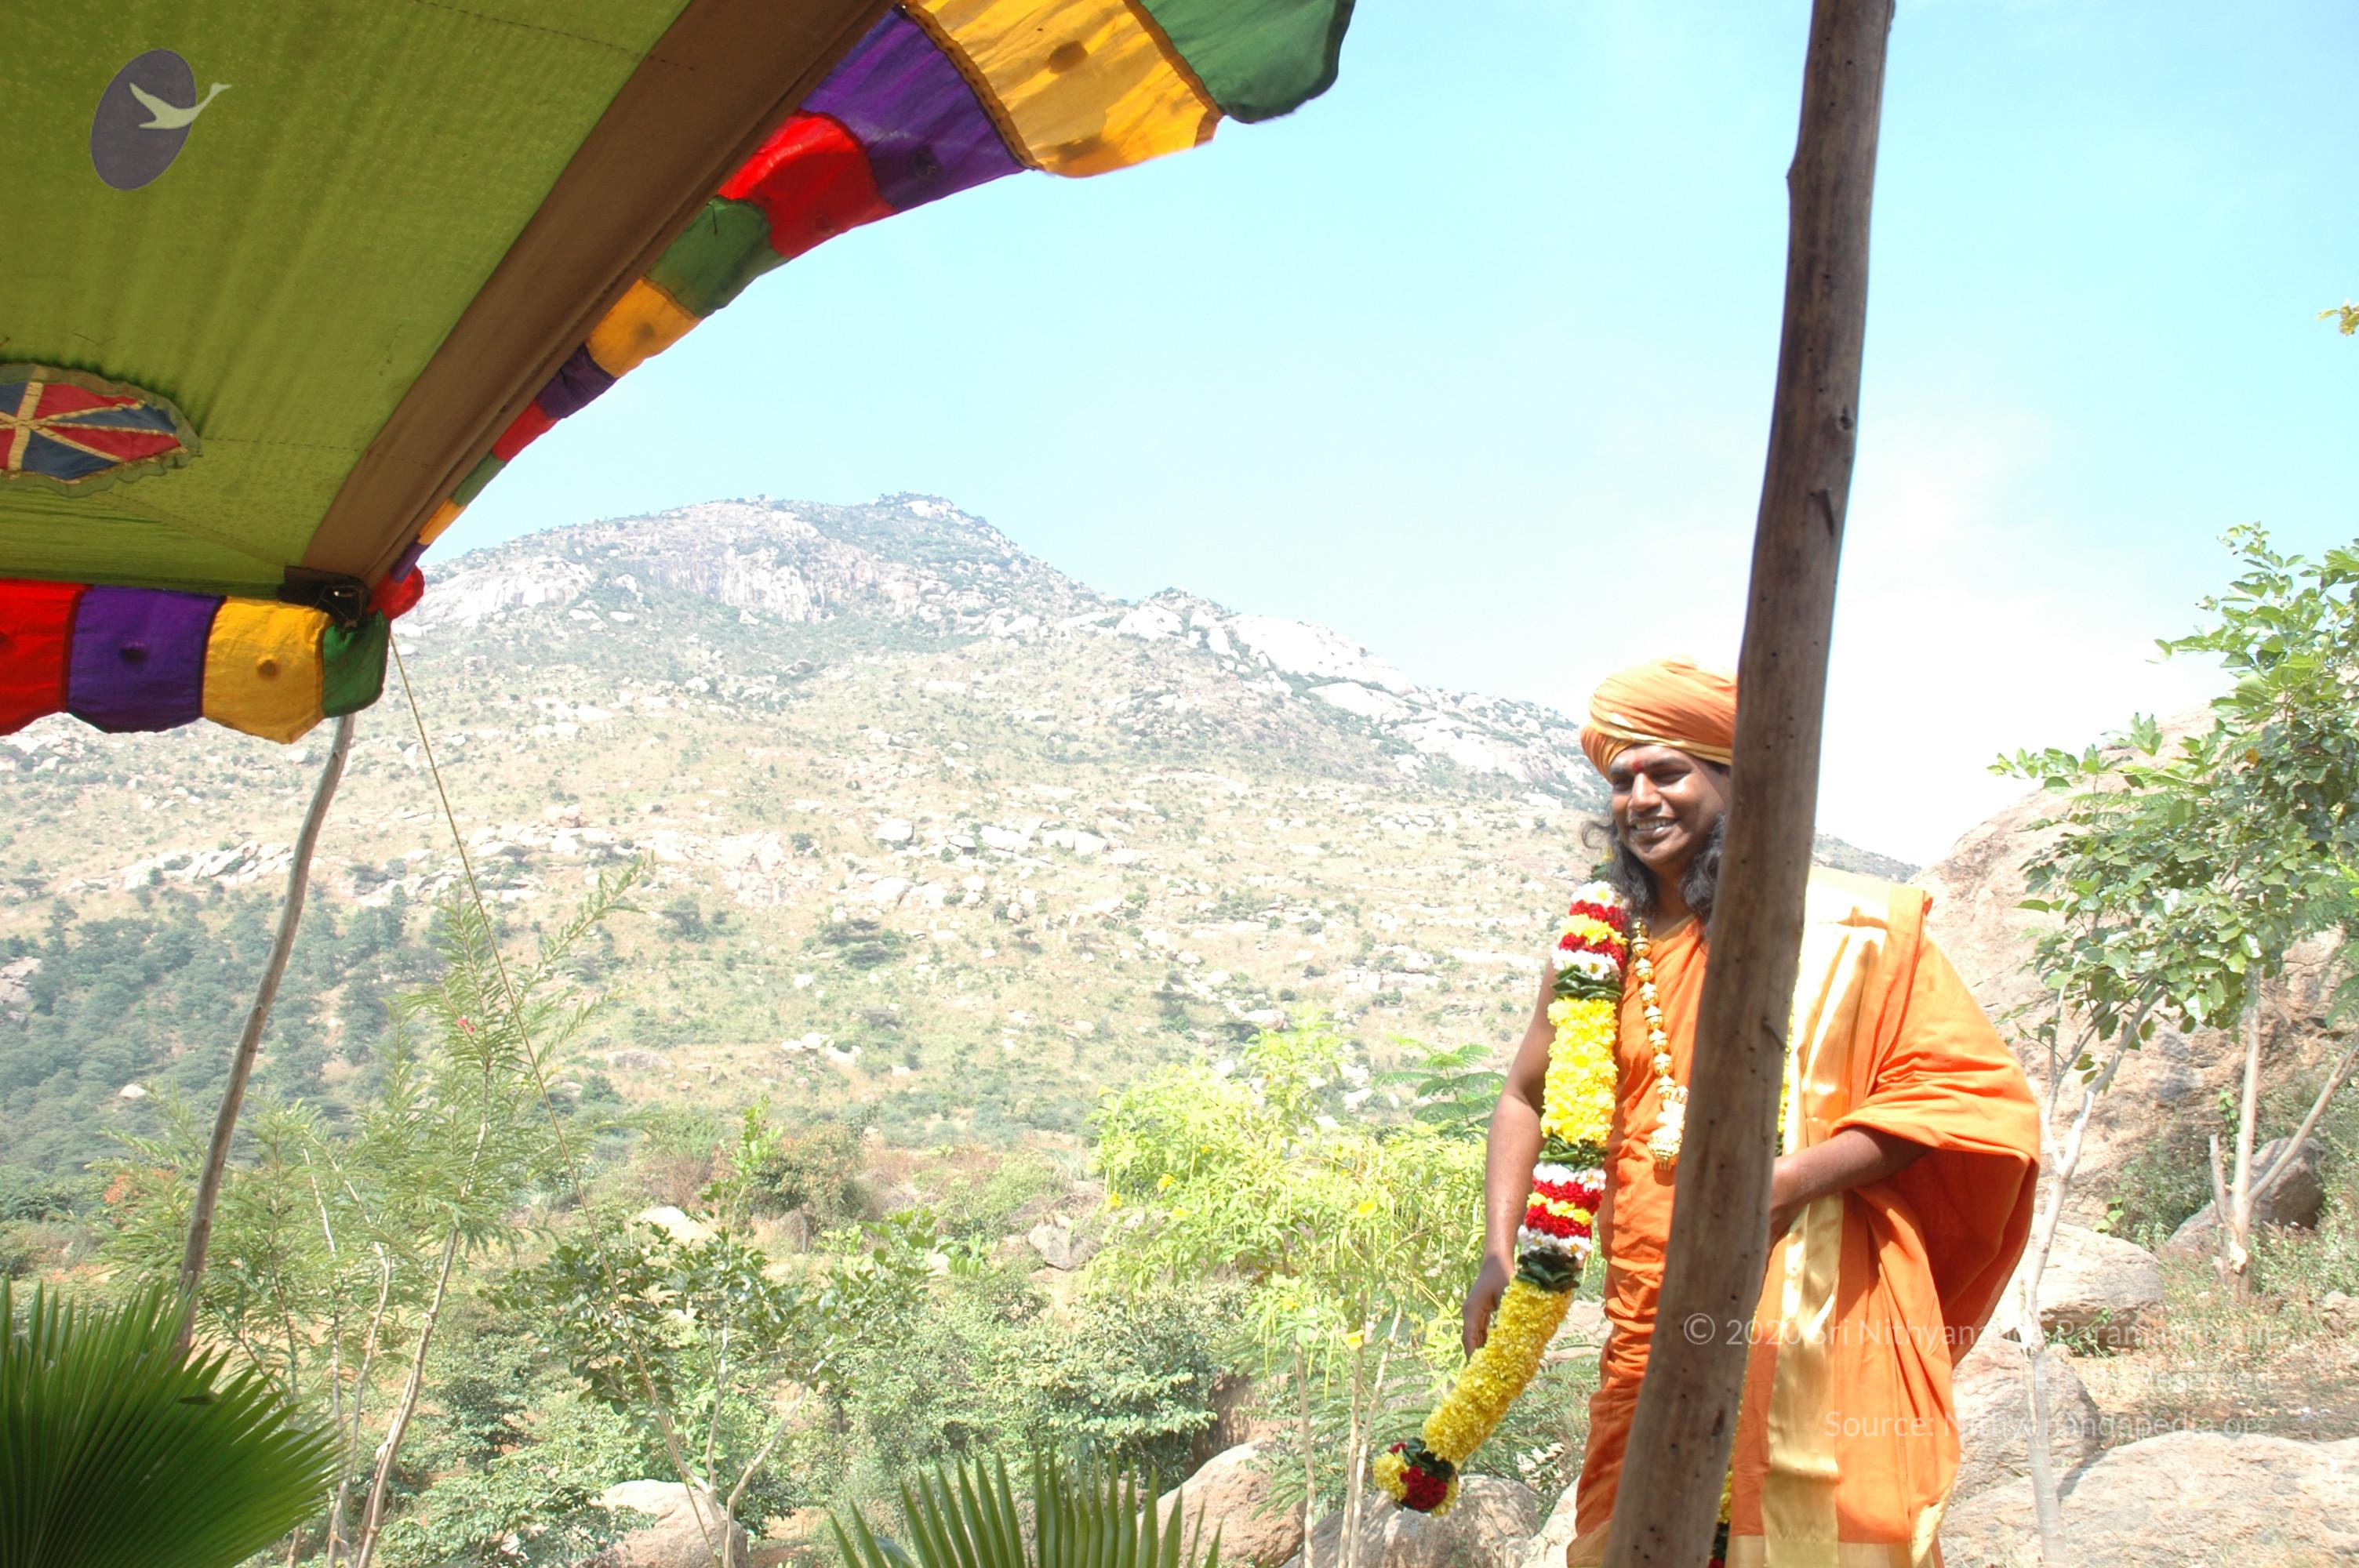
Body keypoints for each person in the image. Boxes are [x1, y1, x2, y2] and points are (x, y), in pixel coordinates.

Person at [1463, 656, 2039, 1568]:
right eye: (1621, 780)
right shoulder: (1596, 947)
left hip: (1804, 1299)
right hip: (1644, 1321)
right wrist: (1500, 1249)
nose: (1639, 798)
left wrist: (1782, 1183)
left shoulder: (1848, 928)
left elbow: (1956, 1093)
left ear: (1733, 782)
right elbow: (1523, 1094)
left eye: (1667, 771)